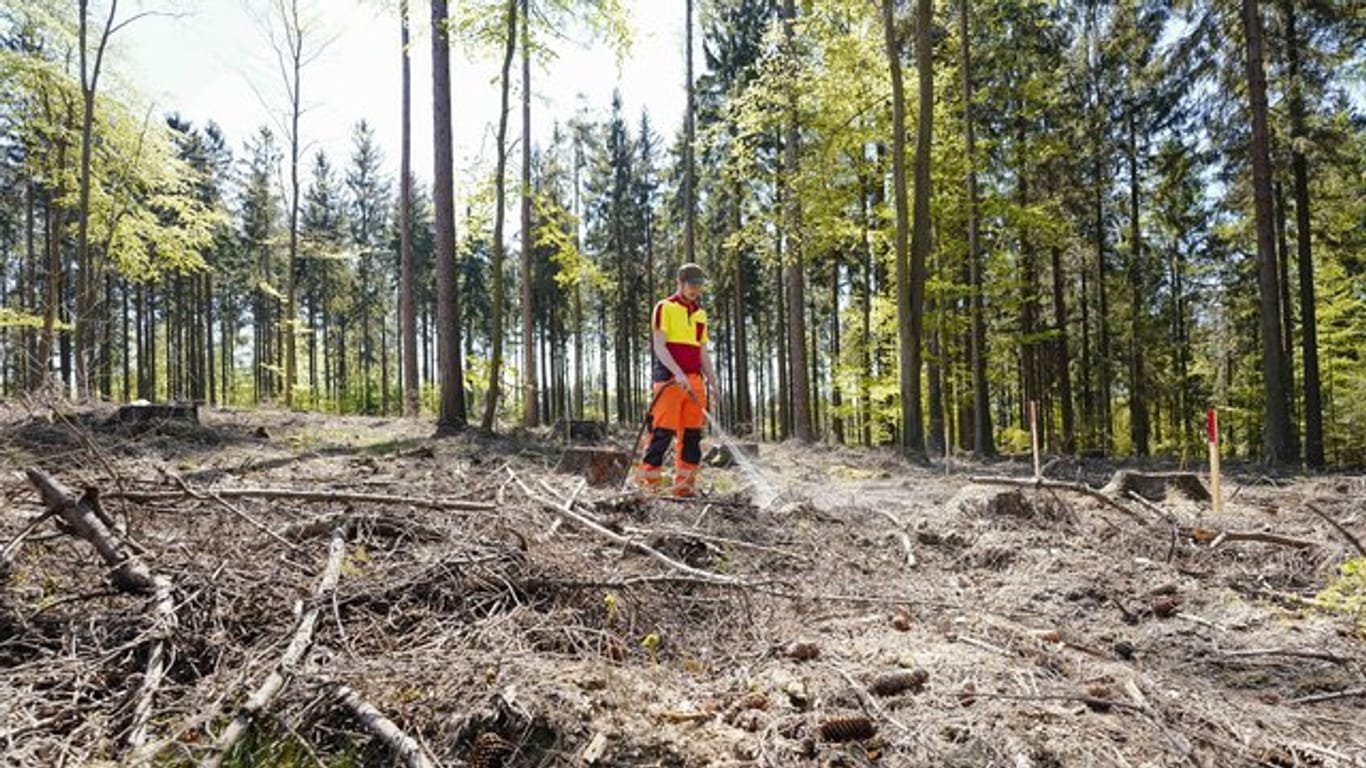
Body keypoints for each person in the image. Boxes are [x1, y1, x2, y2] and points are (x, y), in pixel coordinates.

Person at [637, 263, 720, 497]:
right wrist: (677, 372)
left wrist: (712, 382)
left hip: (695, 382)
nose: (695, 290)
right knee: (661, 434)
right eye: (692, 285)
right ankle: (648, 489)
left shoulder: (700, 314)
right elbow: (659, 346)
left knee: (692, 437)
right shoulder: (664, 307)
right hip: (669, 382)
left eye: (699, 286)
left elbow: (702, 351)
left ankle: (684, 489)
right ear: (680, 283)